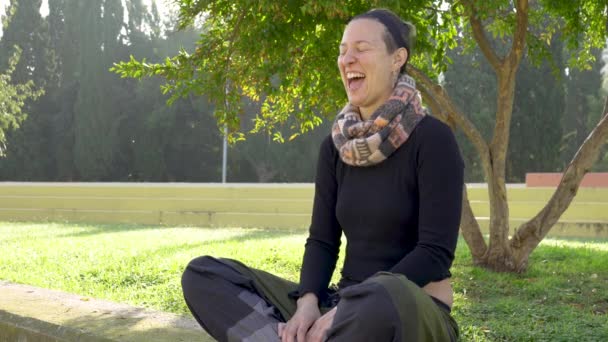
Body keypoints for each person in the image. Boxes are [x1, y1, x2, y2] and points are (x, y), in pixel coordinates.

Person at [181, 8, 463, 342]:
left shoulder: (432, 139)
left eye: (361, 48)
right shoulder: (336, 147)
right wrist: (309, 302)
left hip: (406, 310)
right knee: (204, 274)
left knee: (384, 294)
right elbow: (322, 241)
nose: (348, 59)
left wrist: (346, 309)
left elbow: (435, 252)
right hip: (340, 308)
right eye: (343, 51)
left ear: (397, 58)